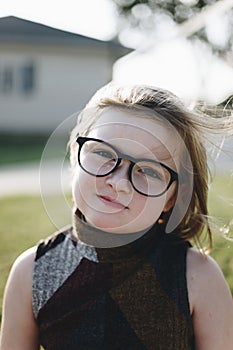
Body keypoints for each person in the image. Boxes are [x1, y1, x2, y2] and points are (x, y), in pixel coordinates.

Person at [0, 84, 233, 350]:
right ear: (76, 158)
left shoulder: (198, 278)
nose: (119, 183)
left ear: (172, 198)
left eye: (150, 171)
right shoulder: (33, 272)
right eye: (102, 153)